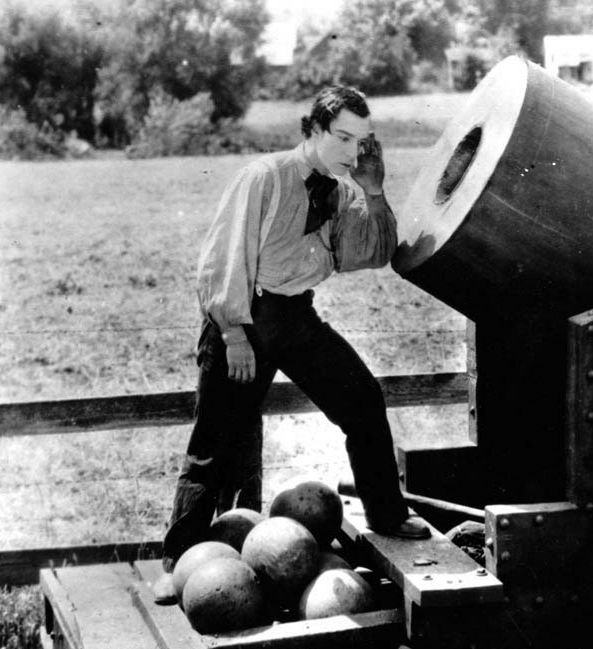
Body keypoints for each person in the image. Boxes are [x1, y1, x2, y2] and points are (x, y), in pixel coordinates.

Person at [163, 83, 429, 572]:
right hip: (246, 317)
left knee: (364, 401)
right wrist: (233, 335)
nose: (354, 152)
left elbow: (373, 252)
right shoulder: (263, 177)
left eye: (362, 141)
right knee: (214, 446)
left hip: (295, 319)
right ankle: (180, 561)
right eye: (343, 139)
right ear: (313, 129)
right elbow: (224, 258)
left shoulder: (344, 192)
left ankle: (387, 515)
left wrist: (373, 190)